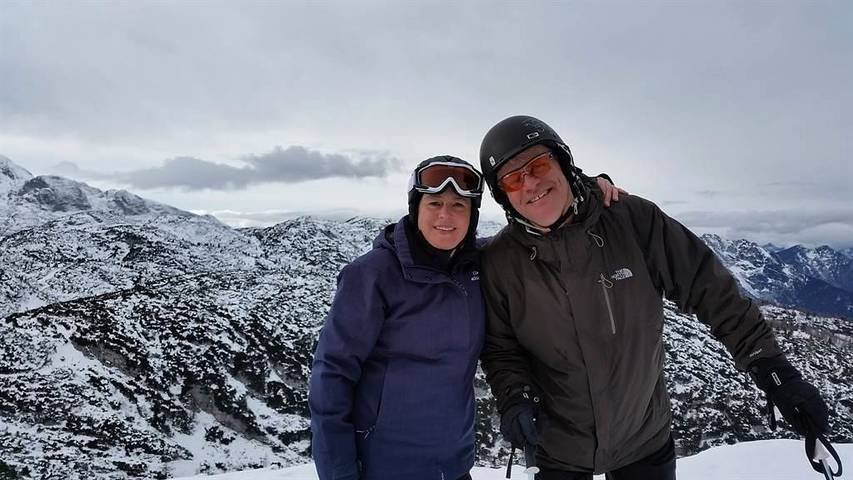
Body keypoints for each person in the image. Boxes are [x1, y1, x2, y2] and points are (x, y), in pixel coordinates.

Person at [476, 115, 831, 480]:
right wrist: (516, 396)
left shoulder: (632, 220)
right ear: (504, 196)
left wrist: (771, 368)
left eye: (538, 164)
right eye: (512, 178)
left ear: (563, 162)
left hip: (643, 437)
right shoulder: (500, 262)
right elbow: (501, 347)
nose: (530, 182)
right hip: (555, 449)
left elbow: (712, 292)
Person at [308, 154, 622, 480]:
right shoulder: (372, 276)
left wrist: (586, 189)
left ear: (472, 215)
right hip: (384, 469)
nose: (446, 215)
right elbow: (332, 375)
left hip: (454, 466)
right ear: (416, 209)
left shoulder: (479, 266)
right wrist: (339, 473)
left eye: (459, 205)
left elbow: (536, 234)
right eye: (434, 203)